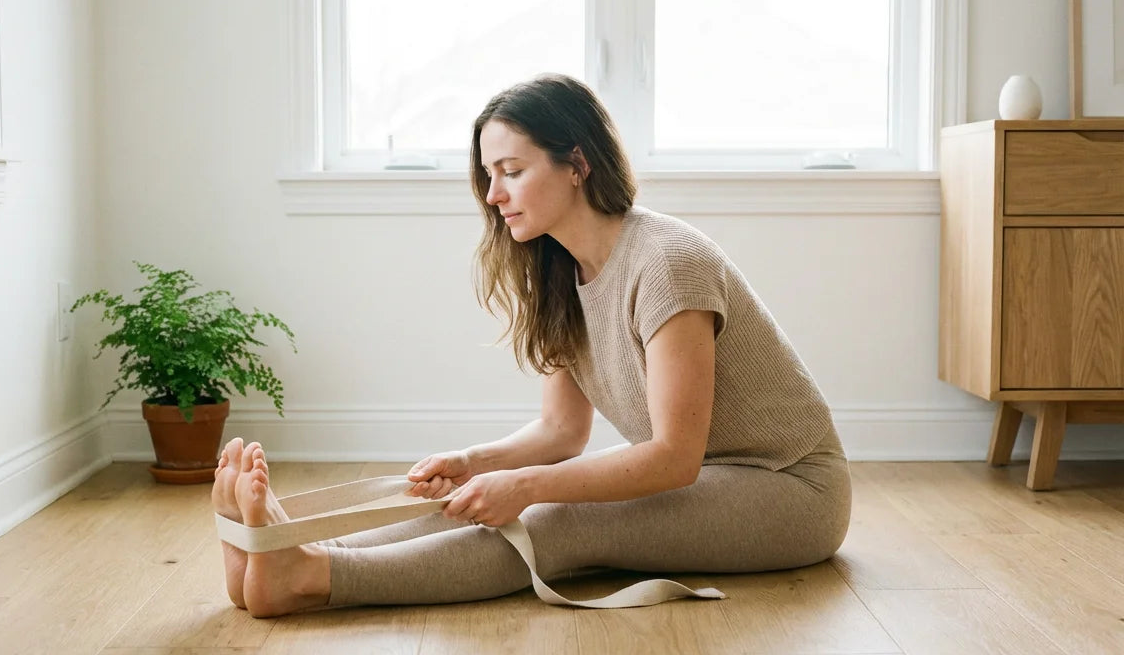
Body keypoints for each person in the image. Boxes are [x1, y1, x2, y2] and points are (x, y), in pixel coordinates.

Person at [211, 73, 851, 617]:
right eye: (490, 175)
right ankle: (284, 550)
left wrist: (526, 486)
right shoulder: (560, 272)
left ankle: (306, 578)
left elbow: (673, 459)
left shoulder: (668, 264)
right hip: (712, 478)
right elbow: (560, 430)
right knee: (479, 499)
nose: (493, 195)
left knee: (552, 513)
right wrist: (475, 461)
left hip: (789, 489)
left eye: (512, 172)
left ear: (577, 164)